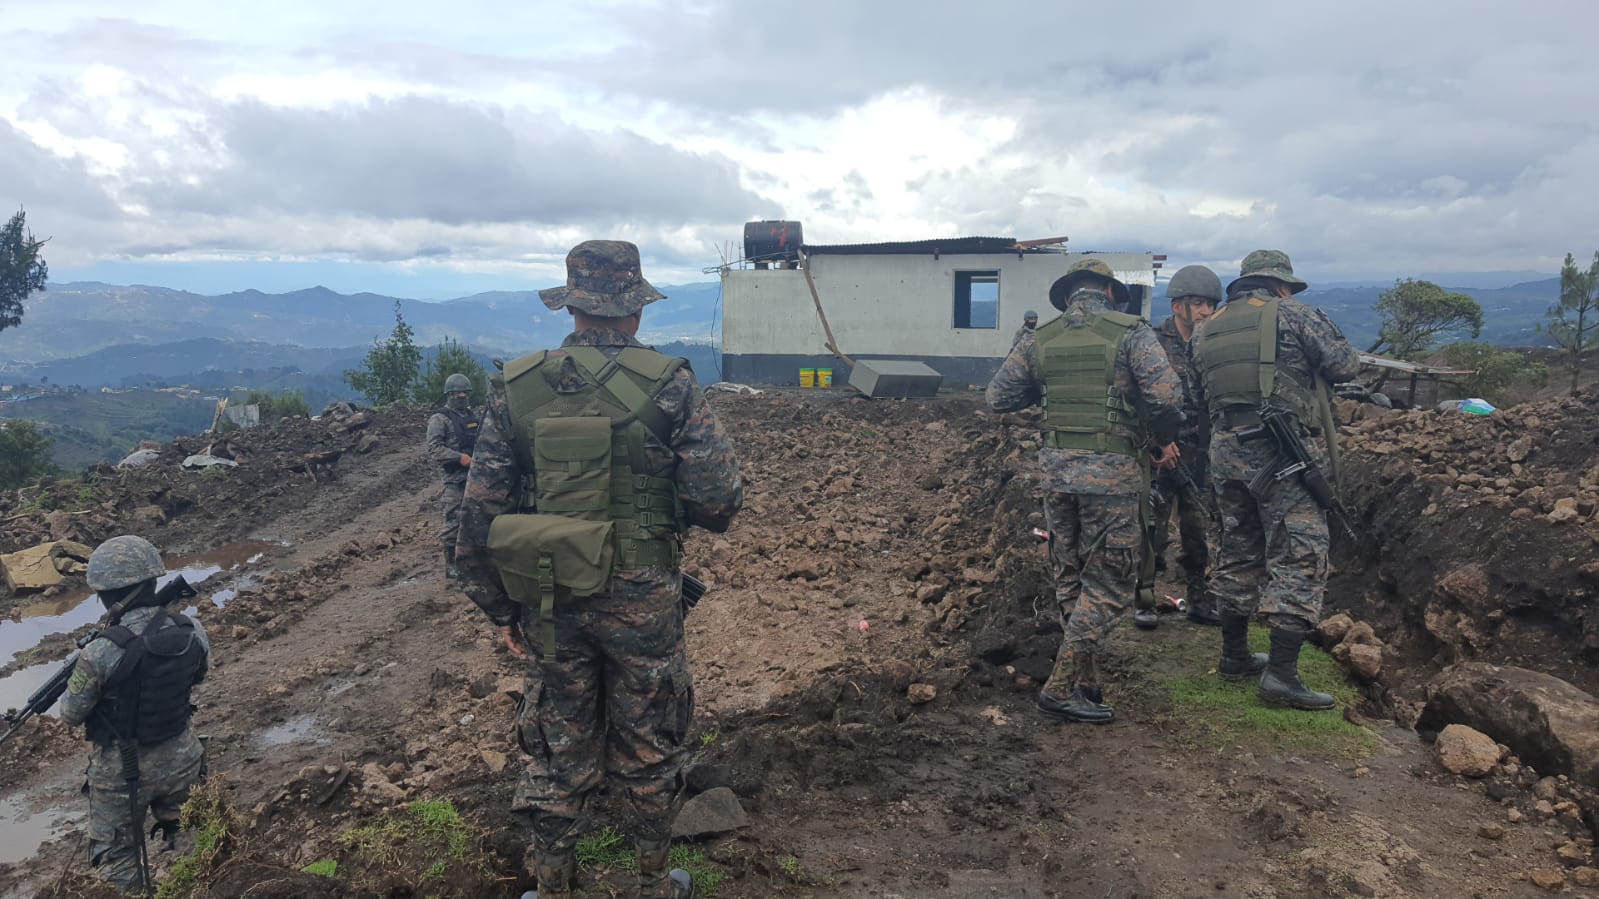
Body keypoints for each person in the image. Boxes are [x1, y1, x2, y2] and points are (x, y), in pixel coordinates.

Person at [455, 240, 742, 899]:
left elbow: (477, 519)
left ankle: (553, 886)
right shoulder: (669, 383)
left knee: (558, 738)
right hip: (642, 599)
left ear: (573, 305)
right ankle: (650, 884)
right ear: (635, 311)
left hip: (550, 597)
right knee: (648, 735)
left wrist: (503, 610)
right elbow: (720, 497)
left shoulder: (518, 387)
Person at [987, 258, 1181, 724]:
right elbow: (1167, 397)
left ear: (1069, 293)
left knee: (1070, 576)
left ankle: (1085, 682)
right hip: (1112, 477)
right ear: (1111, 293)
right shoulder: (1132, 333)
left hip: (1056, 475)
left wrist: (1046, 390)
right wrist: (1160, 437)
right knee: (1111, 584)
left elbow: (998, 398)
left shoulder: (1040, 338)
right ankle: (1058, 689)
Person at [1191, 249, 1360, 709]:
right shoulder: (1295, 315)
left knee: (1238, 548)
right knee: (1301, 553)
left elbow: (1198, 393)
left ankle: (1235, 656)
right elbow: (1346, 367)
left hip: (1226, 451)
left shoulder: (1206, 328)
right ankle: (1282, 675)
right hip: (1280, 451)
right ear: (1280, 285)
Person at [60, 535, 210, 894]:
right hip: (183, 754)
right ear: (152, 581)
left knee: (118, 861)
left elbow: (71, 713)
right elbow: (199, 675)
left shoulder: (100, 652)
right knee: (196, 840)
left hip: (123, 772)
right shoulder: (191, 630)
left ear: (106, 595)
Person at [1146, 264, 1224, 628]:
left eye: (1210, 304)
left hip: (1198, 451)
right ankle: (1143, 597)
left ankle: (1198, 599)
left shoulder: (1213, 342)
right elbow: (1139, 397)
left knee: (1197, 528)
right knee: (1153, 526)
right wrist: (1158, 442)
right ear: (1178, 306)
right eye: (1198, 303)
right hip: (1160, 450)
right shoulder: (1151, 343)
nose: (1206, 311)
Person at [425, 372, 481, 578]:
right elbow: (434, 449)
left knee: (477, 520)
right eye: (457, 393)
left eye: (465, 393)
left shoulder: (472, 415)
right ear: (449, 395)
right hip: (455, 479)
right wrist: (460, 458)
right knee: (453, 523)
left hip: (477, 477)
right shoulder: (440, 419)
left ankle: (473, 559)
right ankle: (451, 565)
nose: (462, 397)